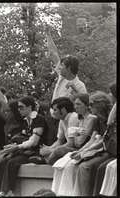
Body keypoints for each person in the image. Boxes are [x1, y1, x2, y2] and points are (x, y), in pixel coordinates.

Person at [53, 91, 112, 196]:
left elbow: (101, 141)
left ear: (99, 105)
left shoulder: (98, 119)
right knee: (70, 164)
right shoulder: (97, 120)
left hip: (106, 149)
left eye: (91, 104)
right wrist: (81, 151)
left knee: (84, 166)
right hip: (96, 148)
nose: (90, 107)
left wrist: (83, 151)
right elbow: (92, 140)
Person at [44, 24, 87, 153]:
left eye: (62, 65)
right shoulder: (61, 77)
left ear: (68, 68)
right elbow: (53, 53)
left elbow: (85, 105)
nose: (59, 67)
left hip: (69, 122)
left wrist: (74, 90)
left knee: (60, 152)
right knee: (50, 150)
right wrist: (48, 34)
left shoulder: (79, 85)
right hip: (53, 119)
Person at [0, 96, 49, 197]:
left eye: (21, 107)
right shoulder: (26, 120)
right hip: (27, 150)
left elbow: (34, 141)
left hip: (37, 150)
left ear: (29, 107)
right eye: (18, 108)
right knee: (3, 161)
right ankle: (2, 190)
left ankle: (11, 190)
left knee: (12, 162)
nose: (19, 110)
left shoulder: (39, 119)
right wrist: (14, 145)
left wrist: (17, 147)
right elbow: (25, 138)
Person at [51, 93, 96, 195]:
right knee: (59, 166)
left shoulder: (91, 118)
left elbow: (78, 142)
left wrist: (75, 133)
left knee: (69, 166)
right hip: (79, 148)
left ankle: (68, 193)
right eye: (75, 104)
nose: (75, 107)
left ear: (87, 105)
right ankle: (57, 192)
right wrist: (77, 132)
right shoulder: (81, 118)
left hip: (85, 149)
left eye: (78, 104)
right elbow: (75, 139)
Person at [29, 97, 80, 165]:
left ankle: (46, 160)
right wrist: (48, 148)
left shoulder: (73, 118)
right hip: (68, 148)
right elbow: (60, 141)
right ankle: (46, 158)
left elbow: (71, 144)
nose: (53, 113)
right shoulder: (62, 120)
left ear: (63, 109)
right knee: (48, 149)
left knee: (58, 150)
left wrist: (50, 150)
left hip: (76, 149)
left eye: (55, 110)